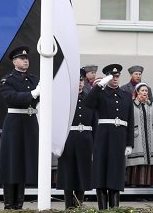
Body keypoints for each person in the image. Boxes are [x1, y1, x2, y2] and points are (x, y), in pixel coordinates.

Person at [85, 63, 134, 209]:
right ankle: (102, 209)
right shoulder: (100, 94)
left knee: (115, 175)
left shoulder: (126, 96)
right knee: (101, 174)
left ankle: (114, 209)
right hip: (103, 138)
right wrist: (99, 86)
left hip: (119, 139)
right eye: (112, 76)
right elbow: (88, 103)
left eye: (117, 76)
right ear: (107, 78)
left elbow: (130, 120)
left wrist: (129, 143)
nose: (115, 79)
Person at [0, 46, 40, 210]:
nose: (26, 61)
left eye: (27, 58)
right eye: (22, 58)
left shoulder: (34, 79)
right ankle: (9, 204)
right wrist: (33, 94)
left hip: (30, 122)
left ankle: (19, 204)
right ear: (14, 61)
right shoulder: (7, 80)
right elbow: (11, 98)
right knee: (12, 161)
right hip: (14, 123)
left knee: (23, 162)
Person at [57, 68, 95, 208]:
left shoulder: (89, 98)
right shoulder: (65, 98)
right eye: (76, 80)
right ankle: (69, 206)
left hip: (85, 139)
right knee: (68, 173)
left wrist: (94, 142)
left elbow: (95, 121)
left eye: (81, 80)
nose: (79, 83)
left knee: (82, 172)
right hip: (68, 139)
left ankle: (79, 204)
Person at [126, 82, 153, 187]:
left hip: (150, 135)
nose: (145, 92)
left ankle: (150, 182)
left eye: (146, 91)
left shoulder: (152, 105)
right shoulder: (132, 105)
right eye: (142, 90)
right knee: (137, 157)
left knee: (150, 157)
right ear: (137, 92)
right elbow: (129, 120)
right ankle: (134, 182)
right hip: (137, 135)